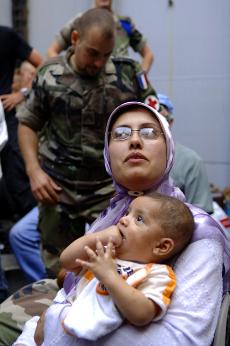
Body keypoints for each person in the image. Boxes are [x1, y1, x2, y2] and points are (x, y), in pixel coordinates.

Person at [1, 101, 229, 346]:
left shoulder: (197, 233)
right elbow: (74, 288)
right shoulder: (116, 212)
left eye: (149, 132)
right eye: (120, 134)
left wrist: (54, 321)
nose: (134, 141)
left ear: (169, 148)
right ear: (108, 153)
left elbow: (178, 340)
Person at [16, 8, 159, 277]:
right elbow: (28, 123)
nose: (98, 63)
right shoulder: (49, 73)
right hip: (57, 189)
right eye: (92, 53)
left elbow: (157, 117)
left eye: (105, 55)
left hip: (109, 190)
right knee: (58, 269)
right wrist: (33, 171)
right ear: (74, 39)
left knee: (116, 266)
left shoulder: (126, 74)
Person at [14, 193, 194, 345]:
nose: (123, 220)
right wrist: (98, 237)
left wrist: (109, 276)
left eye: (139, 219)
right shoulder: (106, 255)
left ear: (161, 247)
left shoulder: (157, 274)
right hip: (55, 322)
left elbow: (143, 314)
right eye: (128, 213)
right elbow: (67, 261)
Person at [0, 25, 43, 219]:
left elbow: (44, 66)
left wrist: (22, 94)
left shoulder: (7, 36)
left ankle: (28, 231)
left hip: (5, 115)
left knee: (16, 174)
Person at [47, 0, 154, 73]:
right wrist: (65, 75)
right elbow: (52, 50)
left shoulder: (124, 23)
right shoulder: (81, 21)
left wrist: (139, 78)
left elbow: (148, 54)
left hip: (119, 90)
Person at [158, 93, 214, 214]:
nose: (155, 127)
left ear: (170, 122)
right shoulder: (130, 157)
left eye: (161, 120)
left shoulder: (190, 161)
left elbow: (202, 215)